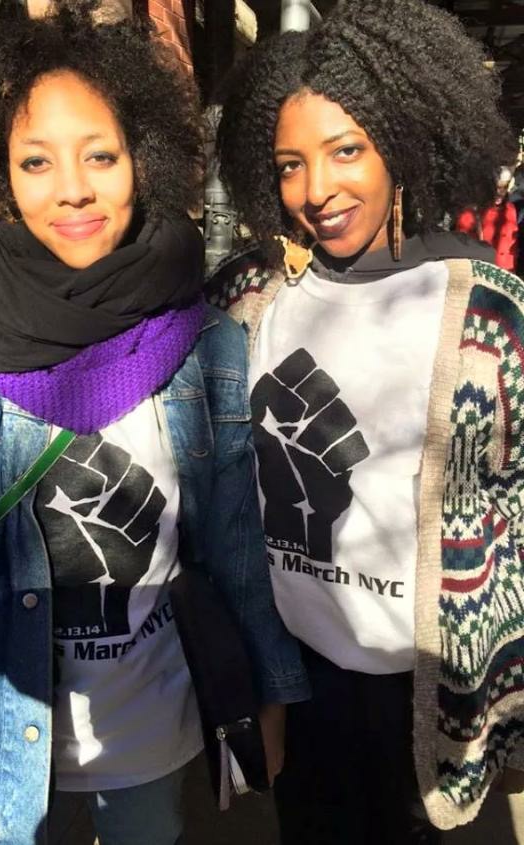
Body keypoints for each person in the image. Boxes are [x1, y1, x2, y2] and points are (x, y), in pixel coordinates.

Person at [0, 3, 310, 844]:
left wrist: (270, 689)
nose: (72, 188)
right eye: (35, 160)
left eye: (101, 156)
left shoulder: (208, 345)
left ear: (142, 160)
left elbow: (234, 546)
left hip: (153, 738)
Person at [209, 1, 524, 842]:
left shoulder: (483, 305)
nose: (317, 190)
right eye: (288, 165)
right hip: (302, 685)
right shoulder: (252, 296)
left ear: (402, 137)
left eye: (346, 149)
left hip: (434, 699)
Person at [457, 166, 519, 271]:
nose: (499, 192)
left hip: (506, 272)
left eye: (504, 187)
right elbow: (462, 244)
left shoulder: (510, 209)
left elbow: (512, 243)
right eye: (496, 187)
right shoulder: (472, 212)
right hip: (483, 272)